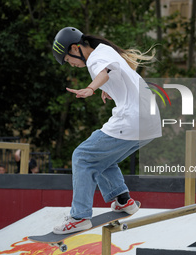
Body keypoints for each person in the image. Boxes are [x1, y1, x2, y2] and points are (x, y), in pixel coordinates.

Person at [52, 27, 161, 234]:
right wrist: (111, 90)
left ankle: (79, 217)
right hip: (150, 122)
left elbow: (102, 72)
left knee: (82, 157)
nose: (71, 65)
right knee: (102, 158)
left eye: (68, 60)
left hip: (132, 120)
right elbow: (119, 73)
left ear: (75, 48)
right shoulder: (105, 50)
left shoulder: (94, 58)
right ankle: (123, 201)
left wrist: (91, 88)